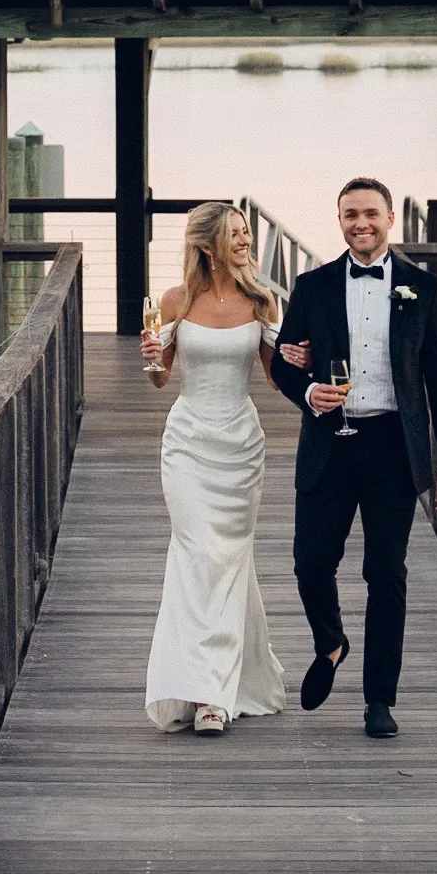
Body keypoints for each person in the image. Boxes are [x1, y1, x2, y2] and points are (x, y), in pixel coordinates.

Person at [269, 177, 437, 738]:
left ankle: (380, 699)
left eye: (371, 214)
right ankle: (330, 641)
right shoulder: (310, 287)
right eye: (350, 214)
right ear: (339, 221)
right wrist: (307, 391)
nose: (361, 223)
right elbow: (285, 364)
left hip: (391, 449)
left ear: (388, 220)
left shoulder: (422, 290)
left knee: (386, 574)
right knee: (310, 564)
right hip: (328, 445)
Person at [138, 202, 287, 735]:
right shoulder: (175, 300)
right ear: (207, 245)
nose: (246, 242)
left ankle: (217, 688)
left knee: (227, 559)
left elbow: (276, 379)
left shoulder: (261, 300)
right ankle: (203, 691)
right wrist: (152, 355)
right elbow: (160, 378)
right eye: (236, 235)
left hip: (241, 447)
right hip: (188, 444)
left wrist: (306, 360)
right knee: (198, 552)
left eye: (248, 233)